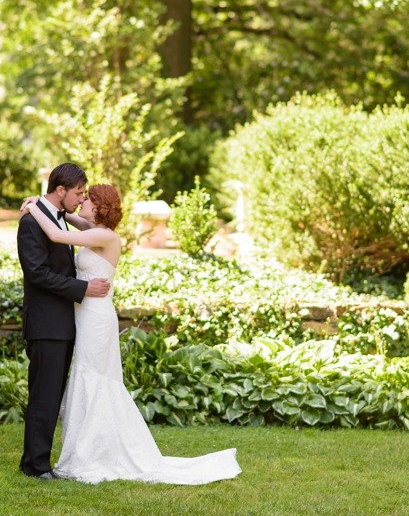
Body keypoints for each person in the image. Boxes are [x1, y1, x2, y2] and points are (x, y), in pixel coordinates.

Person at [21, 183, 241, 485]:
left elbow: (58, 234)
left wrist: (33, 207)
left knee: (96, 380)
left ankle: (96, 453)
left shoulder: (105, 236)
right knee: (88, 379)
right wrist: (51, 206)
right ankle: (85, 450)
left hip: (96, 318)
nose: (82, 201)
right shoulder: (95, 228)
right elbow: (68, 219)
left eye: (88, 198)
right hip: (85, 316)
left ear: (98, 207)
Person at [16, 163, 111, 479]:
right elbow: (38, 273)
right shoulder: (31, 224)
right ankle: (36, 466)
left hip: (62, 324)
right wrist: (83, 288)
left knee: (51, 395)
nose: (80, 198)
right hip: (45, 324)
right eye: (78, 193)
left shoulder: (55, 218)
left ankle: (35, 461)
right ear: (60, 190)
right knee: (43, 395)